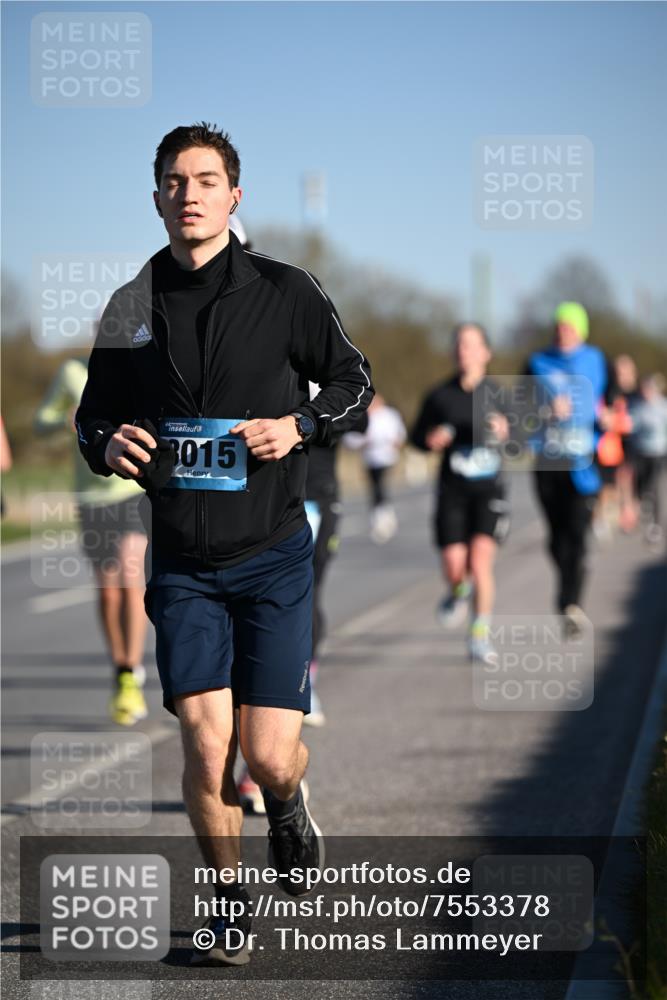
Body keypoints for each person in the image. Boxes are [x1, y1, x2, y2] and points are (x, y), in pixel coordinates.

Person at [75, 122, 373, 966]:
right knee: (208, 746)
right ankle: (229, 905)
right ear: (157, 196)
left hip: (273, 552)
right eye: (173, 180)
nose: (189, 193)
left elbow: (356, 381)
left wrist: (302, 423)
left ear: (233, 195)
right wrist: (107, 445)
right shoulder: (132, 305)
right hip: (182, 562)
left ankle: (286, 801)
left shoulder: (286, 291)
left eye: (205, 179)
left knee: (267, 754)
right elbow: (92, 413)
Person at [35, 357, 149, 725]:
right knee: (108, 590)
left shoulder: (137, 367)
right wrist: (65, 417)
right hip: (91, 497)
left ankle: (131, 669)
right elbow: (40, 424)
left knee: (131, 578)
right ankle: (120, 669)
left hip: (130, 488)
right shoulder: (71, 373)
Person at [411, 323, 509, 664]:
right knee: (456, 566)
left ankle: (479, 636)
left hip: (488, 491)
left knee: (481, 562)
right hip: (452, 490)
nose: (463, 350)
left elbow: (521, 439)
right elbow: (417, 437)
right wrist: (430, 439)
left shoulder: (499, 395)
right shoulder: (440, 396)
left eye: (471, 344)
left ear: (486, 353)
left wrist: (505, 430)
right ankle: (457, 591)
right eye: (459, 344)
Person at [526, 302, 607, 636]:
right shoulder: (536, 363)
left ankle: (570, 603)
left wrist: (611, 417)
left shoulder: (597, 360)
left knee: (577, 533)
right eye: (559, 325)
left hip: (584, 463)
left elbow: (614, 398)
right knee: (556, 541)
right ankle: (569, 587)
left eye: (570, 326)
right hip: (547, 461)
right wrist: (546, 409)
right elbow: (519, 405)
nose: (564, 331)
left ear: (581, 330)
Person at [344, 393, 406, 543]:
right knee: (375, 488)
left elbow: (400, 434)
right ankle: (381, 516)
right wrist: (364, 443)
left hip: (387, 458)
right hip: (370, 459)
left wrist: (395, 443)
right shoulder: (363, 416)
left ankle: (384, 517)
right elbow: (351, 440)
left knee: (380, 486)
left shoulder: (390, 415)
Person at [628, 374, 667, 548]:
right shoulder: (637, 406)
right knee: (641, 486)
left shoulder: (663, 406)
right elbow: (630, 426)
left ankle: (656, 525)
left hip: (659, 452)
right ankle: (644, 512)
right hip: (640, 452)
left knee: (657, 486)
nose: (646, 392)